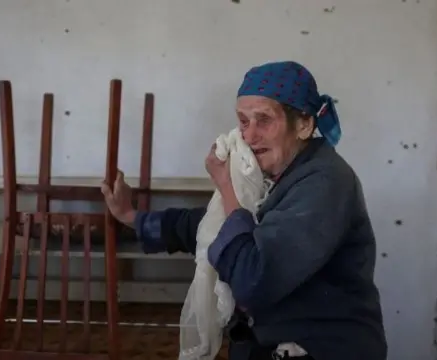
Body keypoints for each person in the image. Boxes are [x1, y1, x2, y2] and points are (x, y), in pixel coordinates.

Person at [101, 61, 387, 360]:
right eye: (243, 121)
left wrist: (227, 186)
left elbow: (253, 278)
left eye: (264, 120)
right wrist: (131, 217)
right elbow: (210, 225)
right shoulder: (275, 177)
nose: (249, 137)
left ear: (304, 125)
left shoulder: (325, 182)